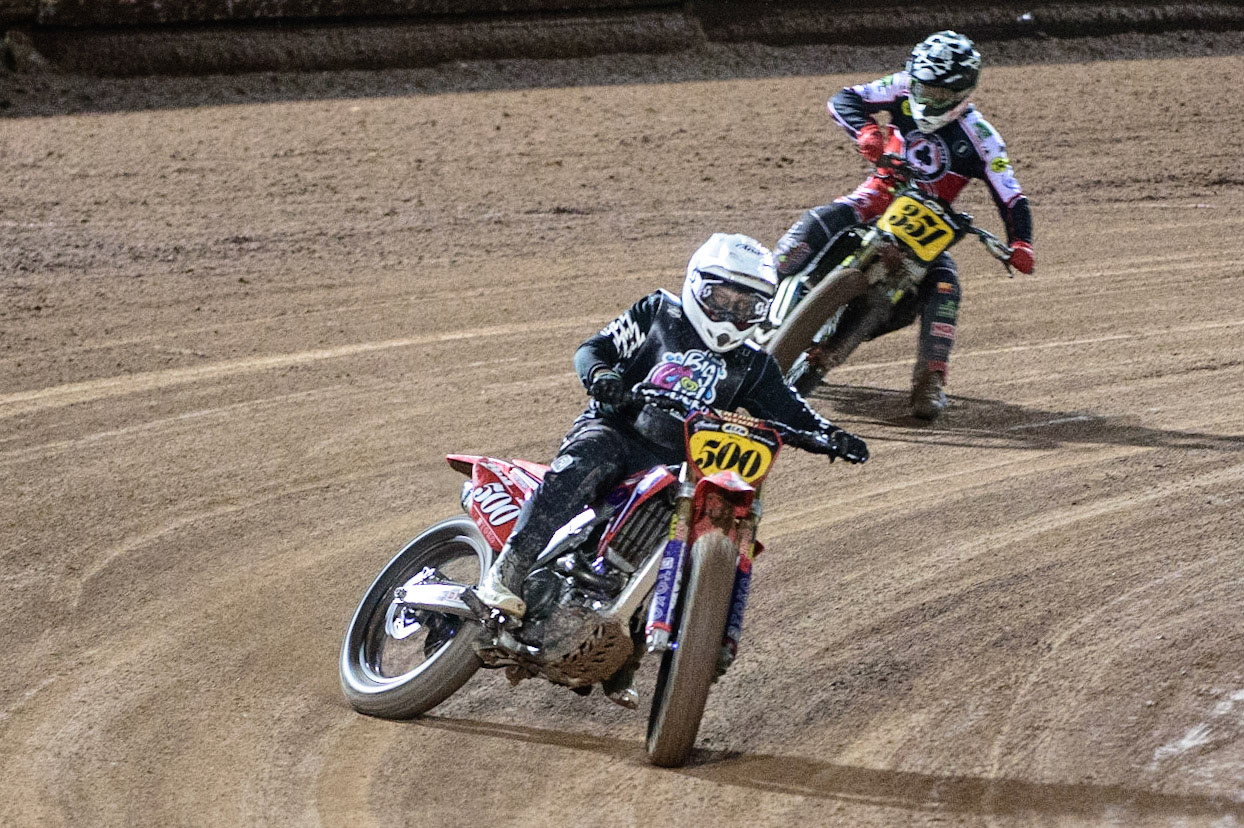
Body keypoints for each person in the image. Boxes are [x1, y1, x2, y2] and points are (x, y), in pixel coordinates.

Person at [478, 232, 869, 622]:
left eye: (746, 305)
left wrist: (829, 434)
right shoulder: (660, 313)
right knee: (587, 460)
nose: (732, 314)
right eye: (722, 298)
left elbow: (791, 410)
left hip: (680, 466)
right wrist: (602, 376)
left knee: (709, 519)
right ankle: (509, 568)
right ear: (697, 285)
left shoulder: (755, 365)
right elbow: (594, 349)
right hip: (618, 428)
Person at [772, 30, 1035, 420]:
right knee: (820, 221)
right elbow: (844, 97)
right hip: (878, 193)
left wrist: (1022, 244)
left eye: (936, 94)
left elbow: (1011, 195)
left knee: (944, 284)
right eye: (920, 87)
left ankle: (931, 378)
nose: (924, 97)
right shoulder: (900, 86)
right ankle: (758, 289)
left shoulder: (982, 138)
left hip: (929, 225)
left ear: (961, 93)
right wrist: (866, 131)